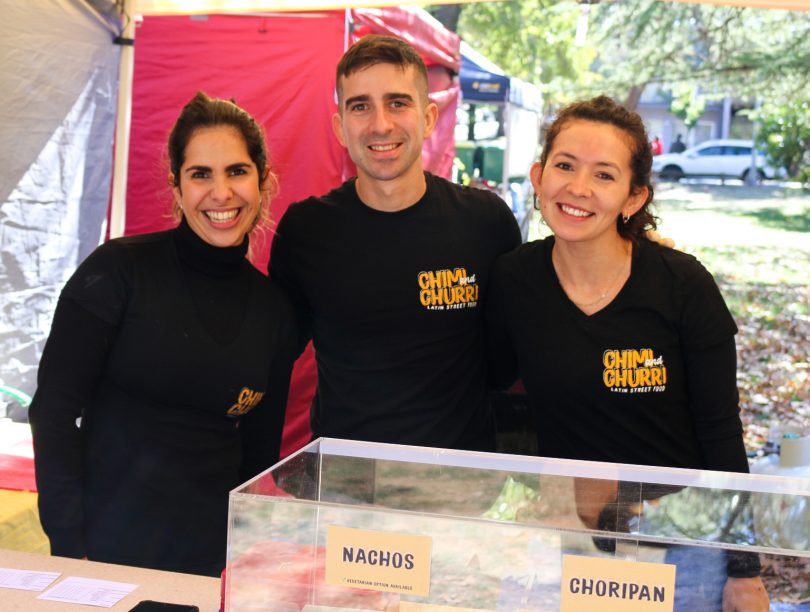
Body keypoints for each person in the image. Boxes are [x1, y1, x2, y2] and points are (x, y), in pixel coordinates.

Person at [486, 96, 768, 610]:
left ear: (634, 198)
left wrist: (743, 569)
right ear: (538, 174)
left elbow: (722, 433)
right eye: (565, 166)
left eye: (604, 175)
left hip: (680, 542)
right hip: (573, 540)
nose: (578, 188)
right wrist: (535, 488)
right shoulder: (514, 279)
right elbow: (497, 387)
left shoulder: (683, 285)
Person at [29, 92, 298, 576]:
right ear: (176, 188)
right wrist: (71, 550)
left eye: (236, 171)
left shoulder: (274, 311)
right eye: (201, 174)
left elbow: (258, 459)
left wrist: (243, 556)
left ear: (263, 180)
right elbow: (52, 413)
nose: (221, 193)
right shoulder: (116, 273)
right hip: (106, 559)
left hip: (212, 566)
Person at [269, 35, 521, 451]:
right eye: (360, 106)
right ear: (340, 127)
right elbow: (267, 349)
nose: (380, 124)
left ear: (427, 118)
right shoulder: (306, 230)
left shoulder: (485, 222)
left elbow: (522, 342)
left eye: (398, 103)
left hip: (457, 485)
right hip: (342, 484)